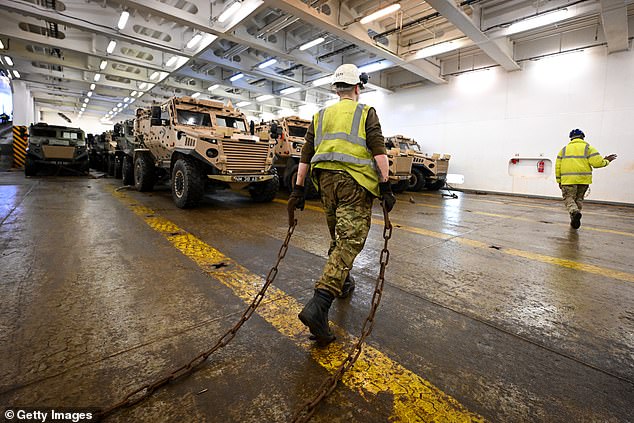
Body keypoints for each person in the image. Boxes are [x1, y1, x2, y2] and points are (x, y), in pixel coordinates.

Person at [287, 64, 396, 347]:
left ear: (337, 89)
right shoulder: (364, 112)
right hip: (354, 184)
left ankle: (343, 281)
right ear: (357, 87)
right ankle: (319, 304)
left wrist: (298, 189)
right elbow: (378, 150)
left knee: (339, 237)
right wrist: (385, 185)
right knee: (350, 240)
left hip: (325, 184)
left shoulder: (320, 116)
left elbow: (305, 156)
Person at [555, 129, 617, 229]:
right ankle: (574, 220)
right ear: (583, 137)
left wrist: (559, 181)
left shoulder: (563, 150)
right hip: (583, 180)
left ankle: (574, 213)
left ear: (571, 138)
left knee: (568, 198)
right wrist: (606, 161)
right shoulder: (588, 148)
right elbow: (598, 163)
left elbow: (557, 167)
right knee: (578, 199)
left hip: (568, 180)